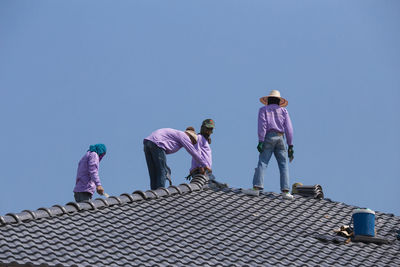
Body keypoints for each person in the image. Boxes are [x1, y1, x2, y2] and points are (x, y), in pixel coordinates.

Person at [244, 90, 295, 200]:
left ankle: (257, 188)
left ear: (268, 100)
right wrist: (290, 145)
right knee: (283, 164)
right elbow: (289, 129)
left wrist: (261, 141)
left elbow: (262, 125)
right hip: (281, 138)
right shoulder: (284, 111)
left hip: (268, 137)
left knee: (263, 161)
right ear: (279, 101)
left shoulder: (263, 110)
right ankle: (285, 191)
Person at [143, 127, 210, 190]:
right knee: (162, 171)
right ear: (190, 137)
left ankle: (154, 193)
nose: (191, 144)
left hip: (148, 143)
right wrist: (204, 165)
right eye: (192, 142)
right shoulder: (184, 136)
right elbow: (193, 152)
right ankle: (158, 192)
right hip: (157, 144)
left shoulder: (178, 136)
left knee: (153, 172)